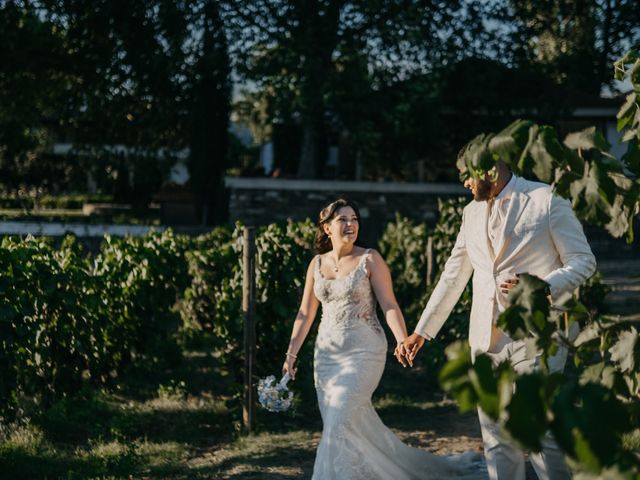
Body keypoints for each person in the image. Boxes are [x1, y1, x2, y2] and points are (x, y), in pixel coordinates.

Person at [401, 160, 596, 480]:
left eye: (466, 175)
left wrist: (542, 288)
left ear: (490, 169)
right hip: (484, 335)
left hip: (538, 332)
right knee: (495, 433)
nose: (463, 183)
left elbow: (583, 261)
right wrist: (423, 331)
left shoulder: (547, 199)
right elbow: (453, 275)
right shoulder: (470, 213)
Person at [282, 198, 485, 480]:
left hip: (364, 351)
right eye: (343, 219)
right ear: (327, 228)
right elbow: (305, 313)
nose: (351, 224)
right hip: (326, 356)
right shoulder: (316, 264)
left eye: (354, 218)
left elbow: (389, 305)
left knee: (340, 419)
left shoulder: (370, 259)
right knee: (339, 424)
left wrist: (402, 339)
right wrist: (291, 354)